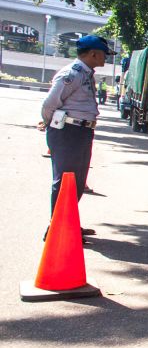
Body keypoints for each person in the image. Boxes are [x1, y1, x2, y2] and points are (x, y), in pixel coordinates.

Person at [40, 34, 111, 232]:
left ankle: (68, 225)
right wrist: (48, 122)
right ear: (93, 53)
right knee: (65, 182)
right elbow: (50, 104)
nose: (106, 58)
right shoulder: (72, 73)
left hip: (81, 132)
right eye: (104, 54)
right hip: (68, 132)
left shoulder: (86, 73)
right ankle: (56, 229)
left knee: (77, 182)